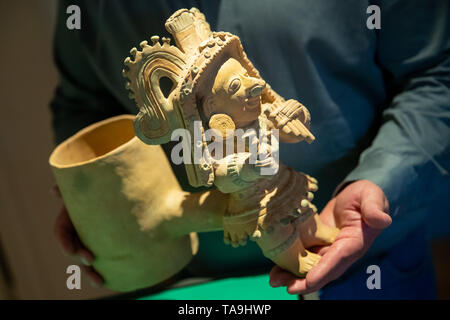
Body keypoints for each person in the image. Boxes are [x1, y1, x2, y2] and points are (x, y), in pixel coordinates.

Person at [51, 0, 450, 299]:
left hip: (368, 261)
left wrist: (379, 176)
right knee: (277, 229)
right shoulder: (220, 139)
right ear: (211, 111)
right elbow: (82, 105)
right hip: (192, 278)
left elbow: (436, 73)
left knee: (304, 217)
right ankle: (295, 253)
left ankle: (317, 235)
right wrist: (92, 195)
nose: (254, 87)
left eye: (246, 78)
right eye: (237, 88)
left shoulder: (253, 111)